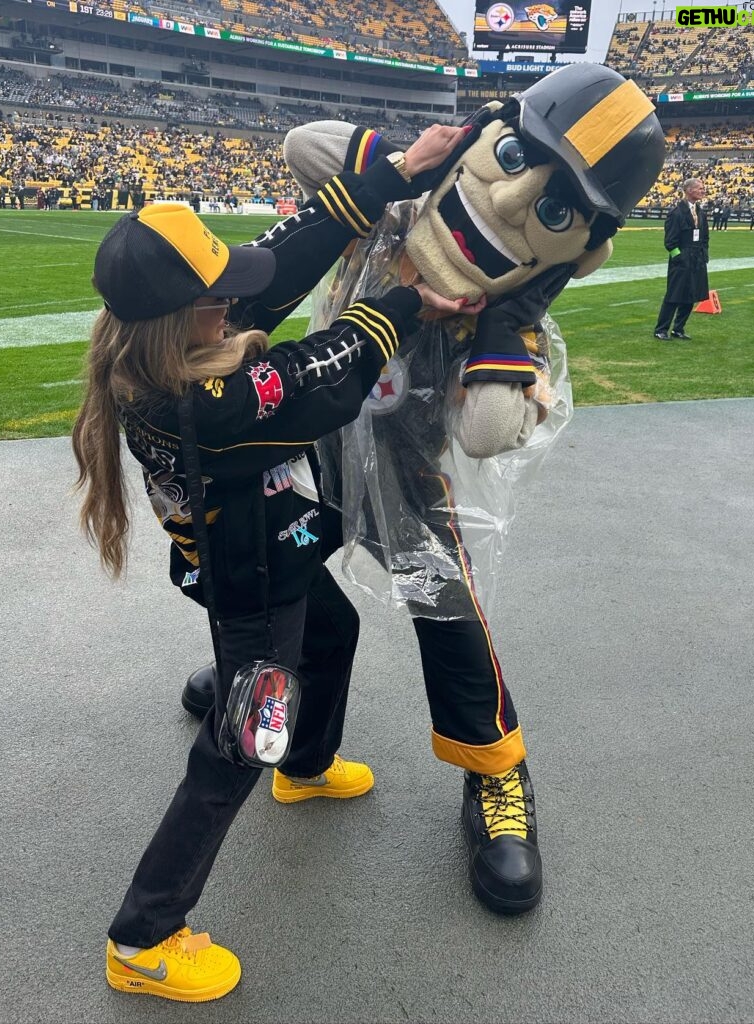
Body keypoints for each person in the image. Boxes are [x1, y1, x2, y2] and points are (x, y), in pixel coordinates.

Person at [183, 64, 666, 917]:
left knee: (446, 613)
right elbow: (305, 147)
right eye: (514, 153)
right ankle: (259, 670)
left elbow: (484, 429)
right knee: (265, 566)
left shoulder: (504, 315)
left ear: (585, 251)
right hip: (306, 438)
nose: (513, 203)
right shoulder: (396, 201)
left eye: (556, 211)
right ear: (485, 129)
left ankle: (494, 772)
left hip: (403, 474)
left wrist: (506, 377)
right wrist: (407, 164)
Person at [72, 125, 474, 1004]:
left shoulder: (167, 342)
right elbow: (317, 376)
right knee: (239, 742)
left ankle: (308, 764)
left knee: (334, 631)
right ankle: (143, 937)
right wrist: (404, 300)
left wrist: (399, 171)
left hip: (271, 558)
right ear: (193, 318)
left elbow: (283, 255)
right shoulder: (204, 399)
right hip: (249, 585)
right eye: (223, 297)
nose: (240, 301)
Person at [653, 177, 709, 341]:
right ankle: (661, 329)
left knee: (691, 294)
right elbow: (670, 242)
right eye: (700, 188)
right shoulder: (676, 213)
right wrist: (679, 258)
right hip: (682, 260)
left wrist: (704, 254)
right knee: (674, 295)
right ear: (689, 190)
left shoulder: (700, 212)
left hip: (697, 259)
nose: (703, 191)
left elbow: (705, 236)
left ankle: (678, 328)